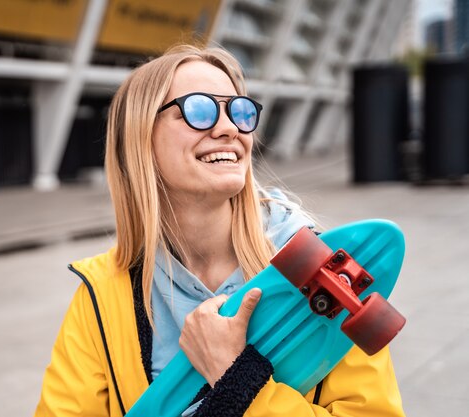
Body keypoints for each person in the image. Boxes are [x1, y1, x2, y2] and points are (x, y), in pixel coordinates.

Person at [33, 44, 405, 417]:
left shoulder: (330, 277)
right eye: (199, 109)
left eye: (239, 111)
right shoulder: (102, 295)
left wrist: (238, 379)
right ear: (140, 138)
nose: (229, 129)